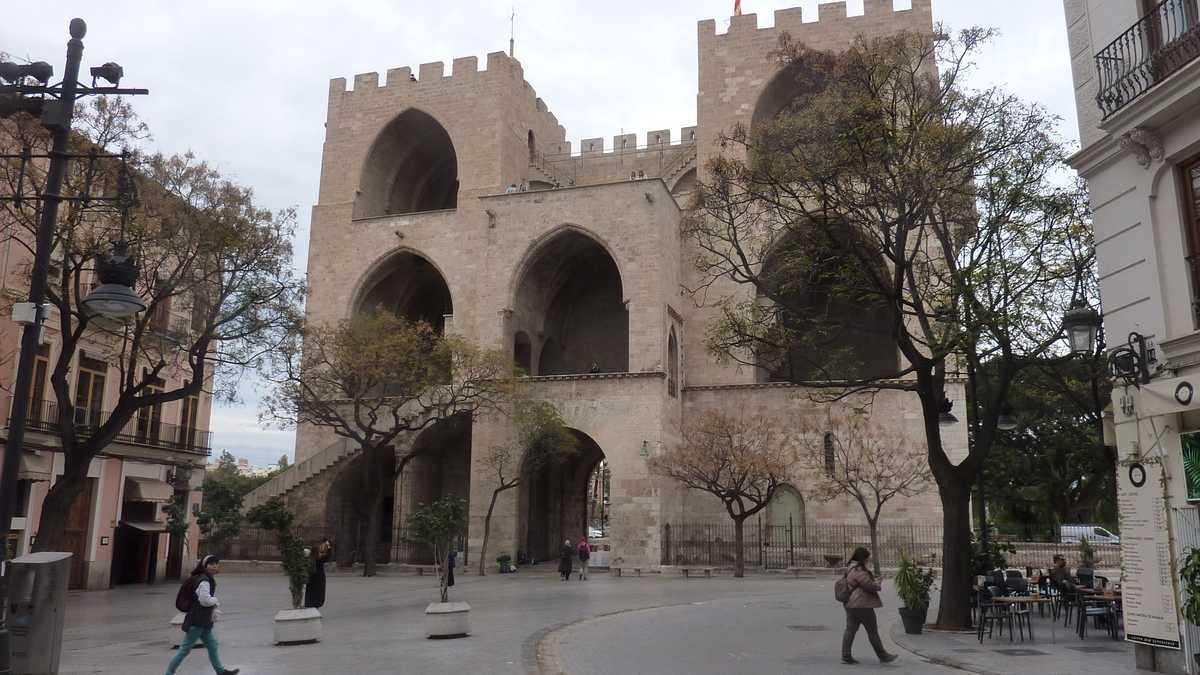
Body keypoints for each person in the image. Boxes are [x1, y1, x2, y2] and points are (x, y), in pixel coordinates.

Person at [166, 555, 239, 675]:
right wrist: (215, 600)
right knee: (184, 649)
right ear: (205, 565)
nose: (214, 566)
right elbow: (204, 600)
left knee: (212, 645)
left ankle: (220, 671)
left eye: (216, 563)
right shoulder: (204, 580)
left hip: (203, 620)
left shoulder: (204, 578)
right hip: (198, 620)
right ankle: (169, 673)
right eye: (211, 564)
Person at [842, 547, 898, 666]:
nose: (869, 560)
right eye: (867, 558)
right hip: (862, 604)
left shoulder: (850, 567)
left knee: (850, 629)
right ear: (863, 558)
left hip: (850, 604)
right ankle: (883, 655)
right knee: (872, 631)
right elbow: (869, 586)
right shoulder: (859, 570)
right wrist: (877, 583)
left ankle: (846, 655)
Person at [304, 538, 332, 609]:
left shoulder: (310, 559)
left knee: (310, 594)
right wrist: (328, 546)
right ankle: (316, 606)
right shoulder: (320, 560)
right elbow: (328, 555)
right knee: (318, 594)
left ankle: (309, 605)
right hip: (319, 580)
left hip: (311, 580)